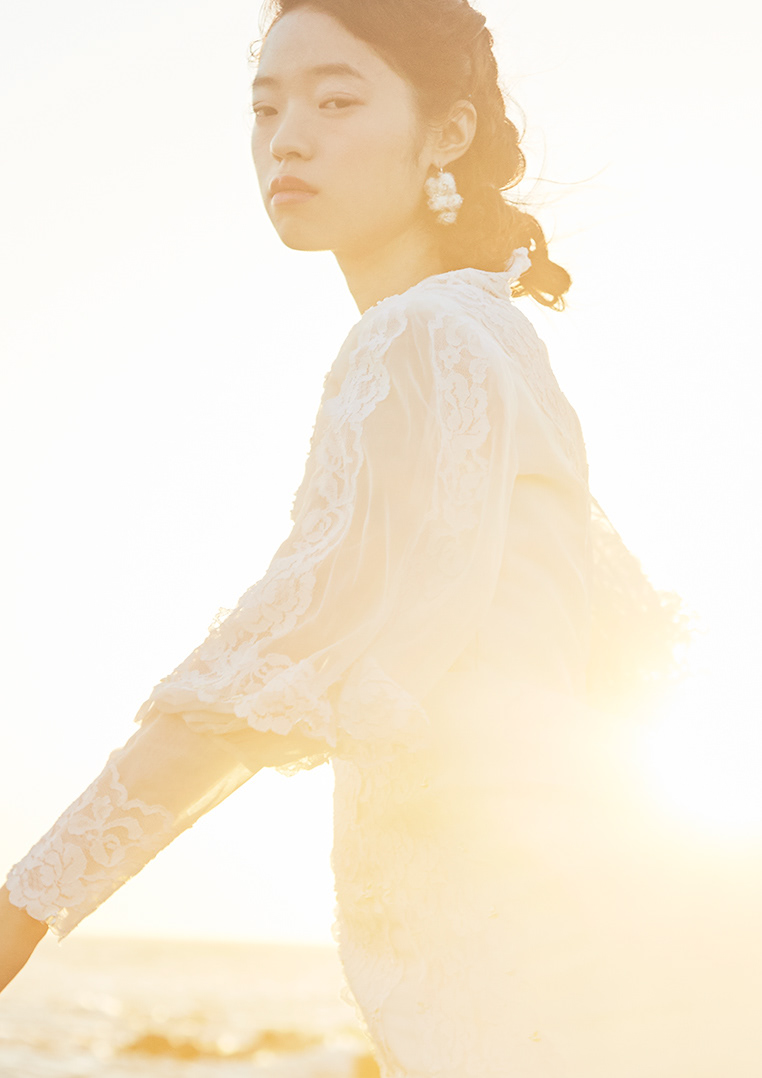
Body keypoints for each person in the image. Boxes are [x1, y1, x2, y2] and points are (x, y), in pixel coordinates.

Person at [2, 1, 759, 1074]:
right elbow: (627, 644)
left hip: (526, 965)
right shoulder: (490, 333)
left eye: (336, 101)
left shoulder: (422, 337)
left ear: (446, 133)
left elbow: (274, 653)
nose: (287, 139)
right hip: (568, 946)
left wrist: (28, 902)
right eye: (266, 108)